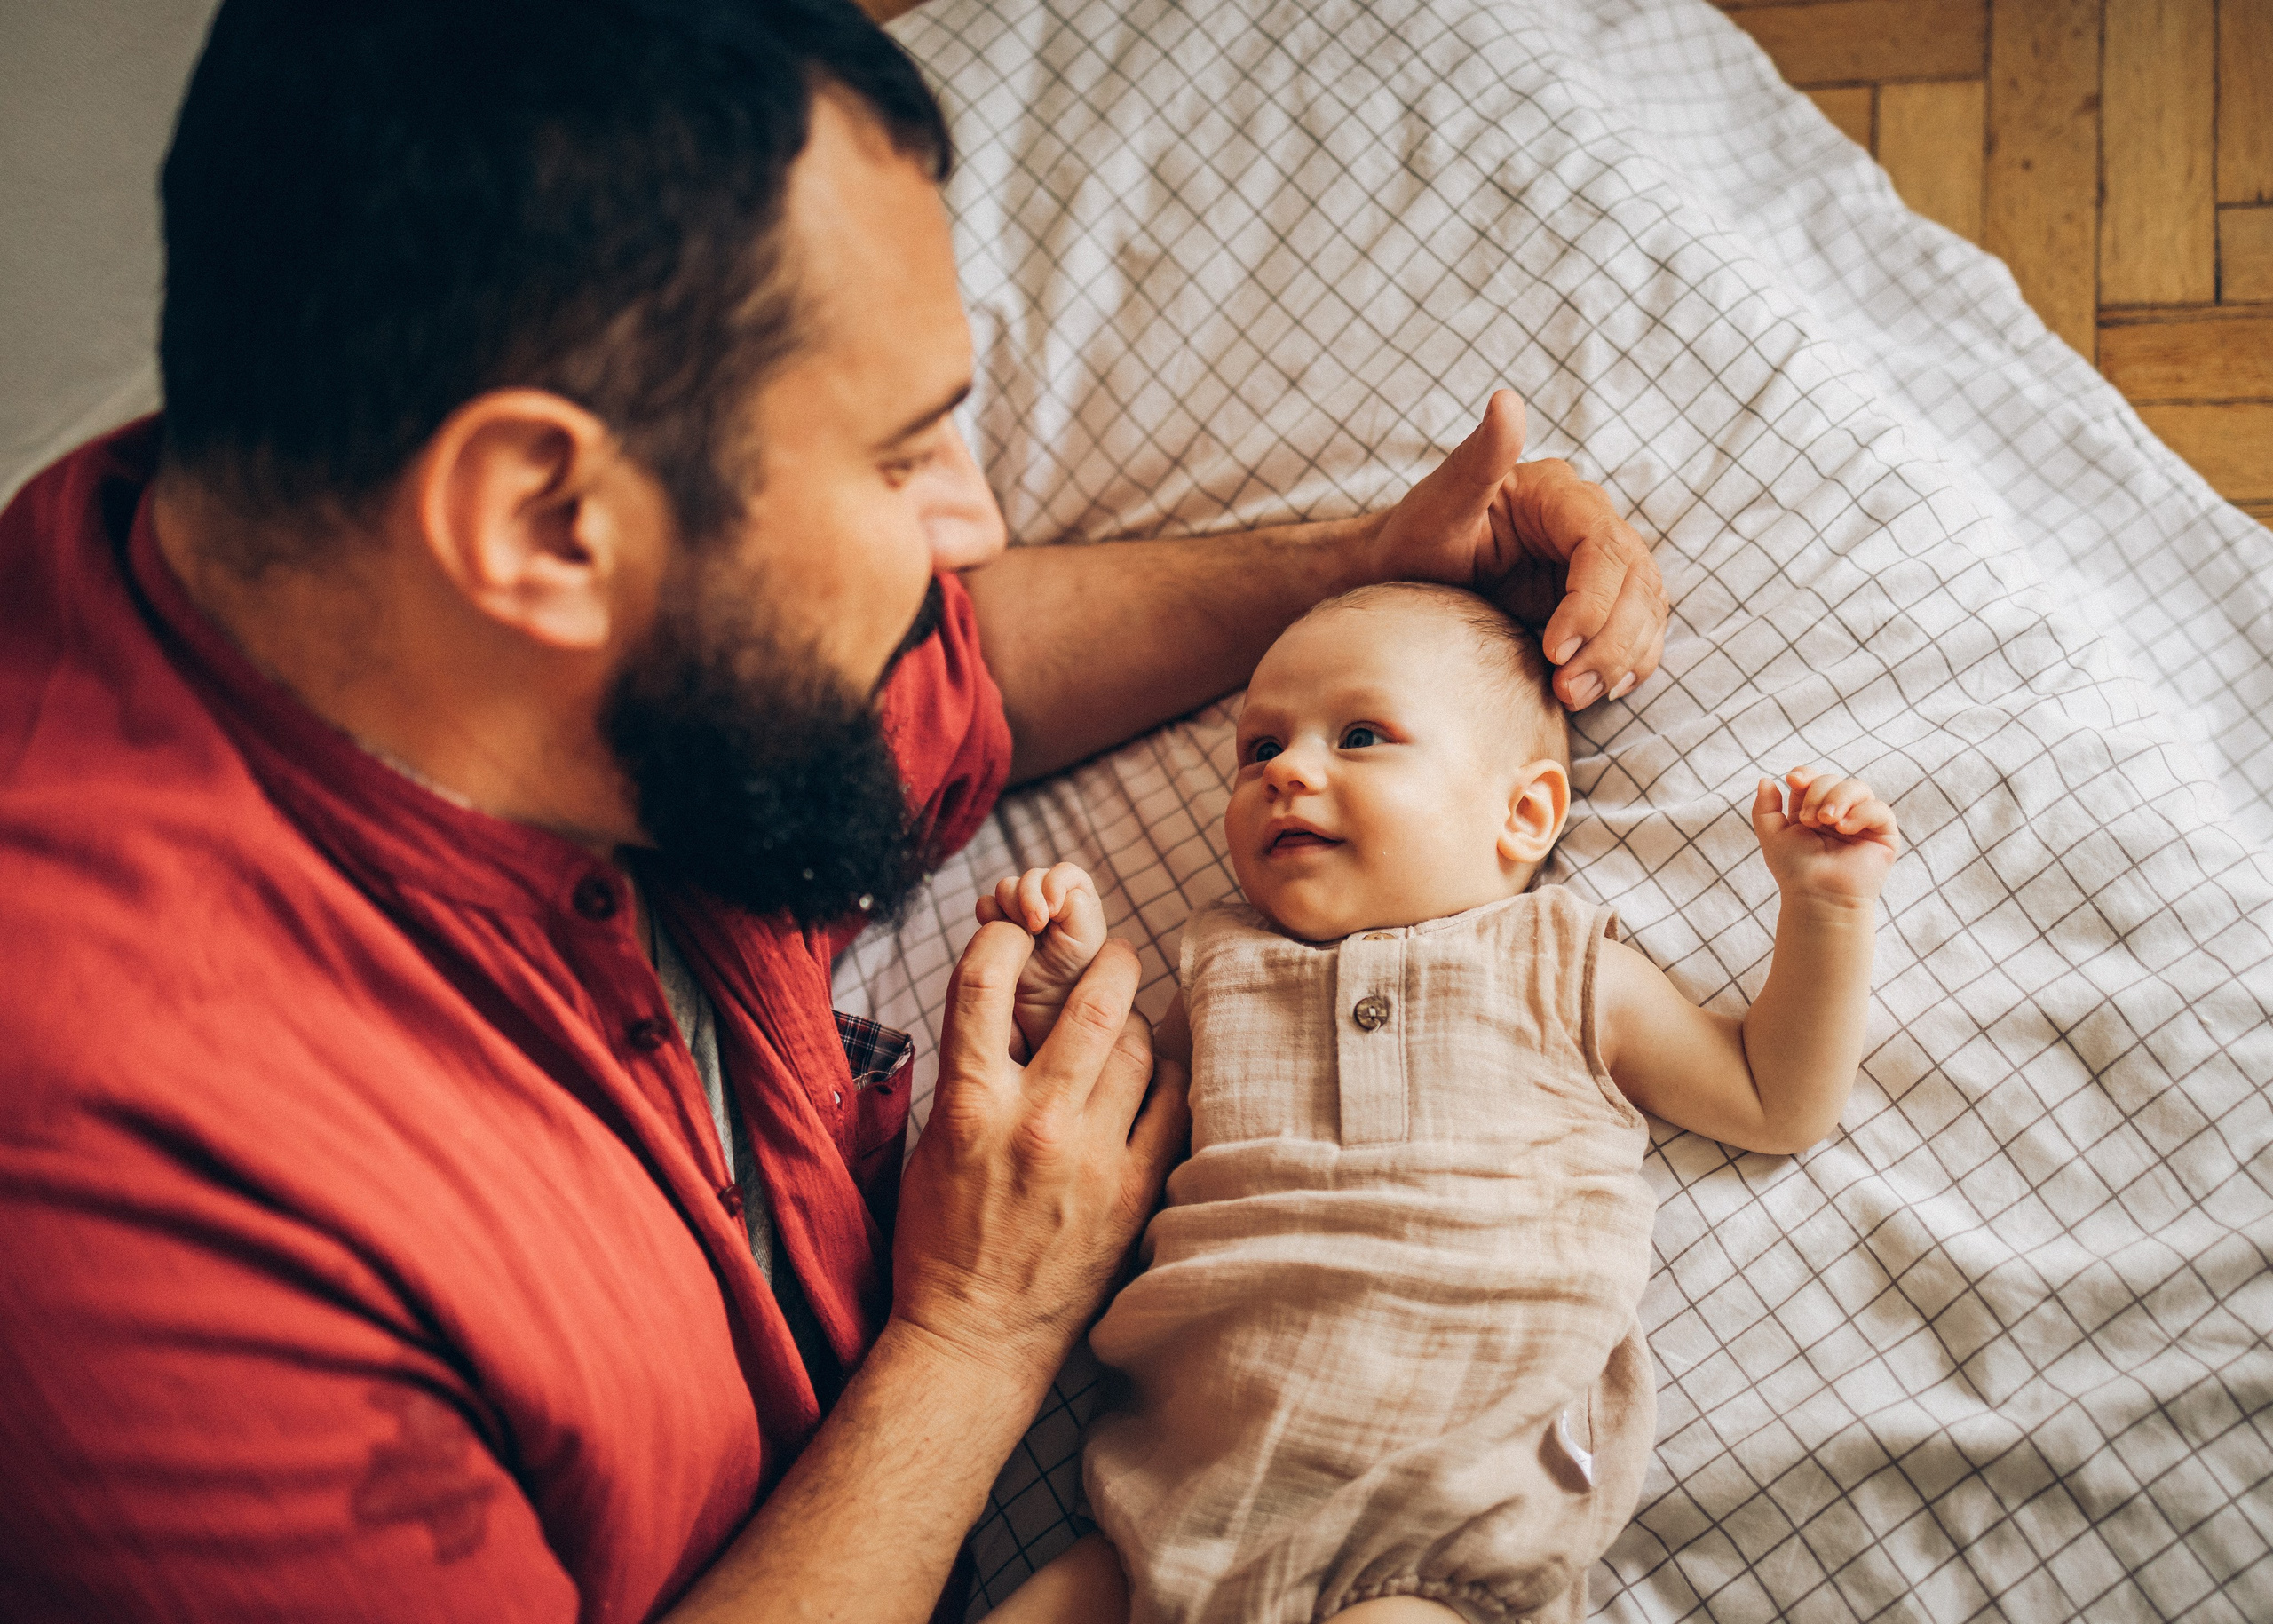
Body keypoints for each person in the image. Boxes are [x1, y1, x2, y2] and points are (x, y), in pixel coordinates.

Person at [0, 3, 1670, 1620]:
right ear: (544, 520)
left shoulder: (489, 616)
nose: (971, 522)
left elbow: (959, 664)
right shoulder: (112, 1207)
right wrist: (976, 1334)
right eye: (897, 459)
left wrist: (1359, 579)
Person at [970, 583, 1900, 1624]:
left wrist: (1823, 909)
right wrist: (1059, 1002)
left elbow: (1775, 1098)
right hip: (1176, 1495)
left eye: (1359, 734)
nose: (1284, 768)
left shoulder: (1561, 962)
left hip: (1434, 1516)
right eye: (1256, 747)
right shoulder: (1221, 968)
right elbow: (1118, 1122)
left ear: (1524, 812)